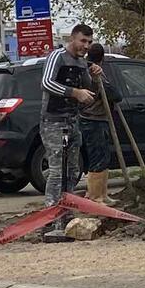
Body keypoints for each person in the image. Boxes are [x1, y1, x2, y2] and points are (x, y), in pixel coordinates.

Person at [40, 24, 102, 213]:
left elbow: (89, 92)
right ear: (72, 39)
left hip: (72, 121)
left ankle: (66, 209)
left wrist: (93, 77)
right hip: (54, 122)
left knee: (73, 170)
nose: (86, 45)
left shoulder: (83, 63)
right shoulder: (57, 57)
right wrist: (74, 92)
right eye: (83, 41)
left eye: (89, 42)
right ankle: (51, 214)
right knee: (58, 170)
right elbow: (46, 82)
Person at [79, 42, 118, 205]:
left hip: (98, 118)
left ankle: (102, 193)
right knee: (98, 157)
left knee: (103, 156)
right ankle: (95, 197)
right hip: (93, 120)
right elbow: (114, 94)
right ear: (101, 59)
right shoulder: (93, 73)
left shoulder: (89, 70)